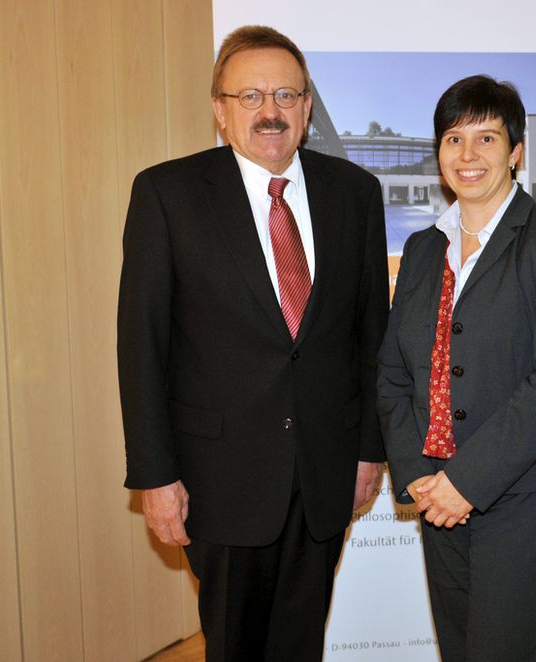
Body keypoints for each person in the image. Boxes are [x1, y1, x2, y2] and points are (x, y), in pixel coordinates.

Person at [117, 25, 388, 662]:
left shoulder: (355, 194)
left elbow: (371, 332)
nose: (271, 111)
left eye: (287, 95)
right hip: (220, 478)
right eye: (251, 97)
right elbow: (141, 344)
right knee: (235, 645)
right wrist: (155, 476)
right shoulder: (167, 193)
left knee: (301, 644)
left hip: (325, 473)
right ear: (220, 109)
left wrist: (370, 452)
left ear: (307, 107)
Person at [377, 75, 536, 662]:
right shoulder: (424, 249)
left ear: (517, 151)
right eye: (453, 139)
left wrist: (465, 484)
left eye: (486, 138)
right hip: (437, 498)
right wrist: (418, 474)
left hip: (528, 501)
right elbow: (394, 373)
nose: (468, 156)